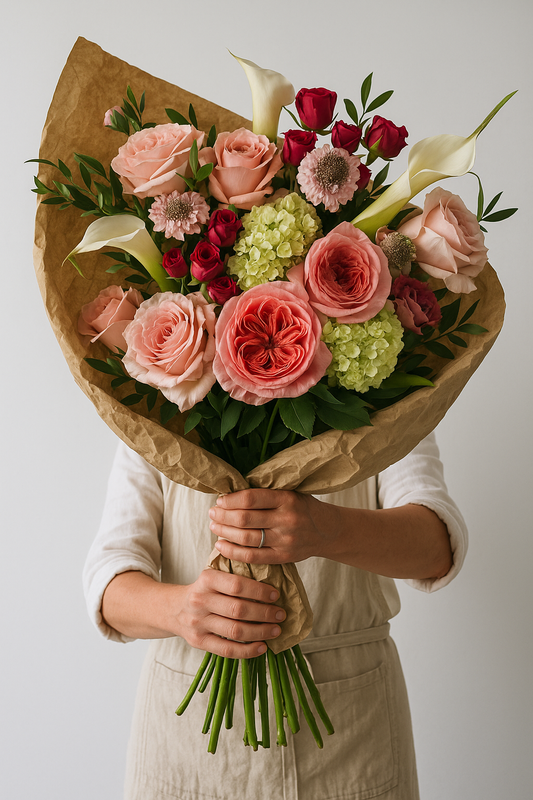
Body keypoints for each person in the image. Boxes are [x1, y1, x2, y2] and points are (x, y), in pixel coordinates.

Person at [83, 430, 467, 800]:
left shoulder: (386, 399)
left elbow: (436, 548)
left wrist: (328, 529)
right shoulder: (157, 405)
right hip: (185, 747)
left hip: (352, 732)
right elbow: (109, 580)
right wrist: (180, 610)